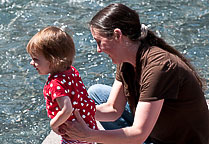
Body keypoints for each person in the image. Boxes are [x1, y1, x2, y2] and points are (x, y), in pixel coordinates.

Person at [60, 3, 209, 144]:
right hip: (153, 132)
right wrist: (72, 110)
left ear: (118, 35)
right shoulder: (126, 59)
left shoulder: (158, 67)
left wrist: (88, 134)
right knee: (96, 93)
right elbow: (112, 109)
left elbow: (138, 133)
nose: (98, 49)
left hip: (176, 141)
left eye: (99, 41)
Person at [26, 26, 98, 144]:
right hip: (87, 122)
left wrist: (53, 125)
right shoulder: (71, 71)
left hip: (74, 130)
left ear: (52, 60)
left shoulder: (55, 84)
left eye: (35, 59)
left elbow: (66, 109)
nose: (32, 63)